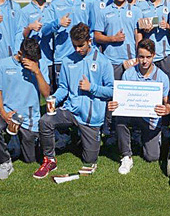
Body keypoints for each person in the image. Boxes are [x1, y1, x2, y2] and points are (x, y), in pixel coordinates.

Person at [33, 23, 114, 178]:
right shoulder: (67, 61)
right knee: (45, 121)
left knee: (89, 159)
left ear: (90, 41)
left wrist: (92, 88)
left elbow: (111, 90)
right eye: (74, 45)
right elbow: (63, 87)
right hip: (71, 110)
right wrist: (54, 99)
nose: (77, 49)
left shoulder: (103, 61)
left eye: (81, 46)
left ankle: (78, 138)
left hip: (91, 117)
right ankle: (50, 159)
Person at [0, 38, 50, 180]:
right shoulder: (2, 65)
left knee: (29, 159)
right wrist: (4, 114)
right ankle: (5, 162)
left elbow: (46, 93)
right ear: (20, 53)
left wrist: (37, 72)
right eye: (30, 60)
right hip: (9, 113)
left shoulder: (40, 65)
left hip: (30, 118)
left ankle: (15, 143)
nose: (33, 62)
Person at [107, 39, 170, 174]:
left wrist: (167, 109)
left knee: (152, 157)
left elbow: (168, 102)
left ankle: (143, 138)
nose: (144, 61)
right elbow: (121, 99)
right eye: (141, 57)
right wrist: (115, 104)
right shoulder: (129, 73)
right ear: (137, 56)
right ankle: (126, 156)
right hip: (131, 113)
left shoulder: (162, 77)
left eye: (148, 57)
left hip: (150, 118)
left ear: (154, 56)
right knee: (119, 117)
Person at [43, 0, 91, 82]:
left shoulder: (88, 2)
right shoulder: (55, 4)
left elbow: (93, 29)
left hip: (83, 57)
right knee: (62, 93)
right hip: (62, 56)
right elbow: (44, 30)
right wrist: (57, 23)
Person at [94, 0, 143, 80]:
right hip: (111, 61)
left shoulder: (136, 11)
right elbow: (97, 36)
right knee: (111, 94)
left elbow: (138, 35)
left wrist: (139, 56)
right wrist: (113, 38)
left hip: (131, 60)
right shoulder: (103, 12)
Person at [15, 0, 55, 89]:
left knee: (49, 92)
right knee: (31, 90)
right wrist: (29, 27)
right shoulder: (25, 11)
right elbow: (20, 35)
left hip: (48, 58)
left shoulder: (51, 9)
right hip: (32, 58)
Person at [137, 0, 170, 81]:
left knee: (166, 87)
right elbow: (138, 28)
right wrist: (144, 28)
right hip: (147, 56)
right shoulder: (140, 6)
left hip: (164, 54)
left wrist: (167, 26)